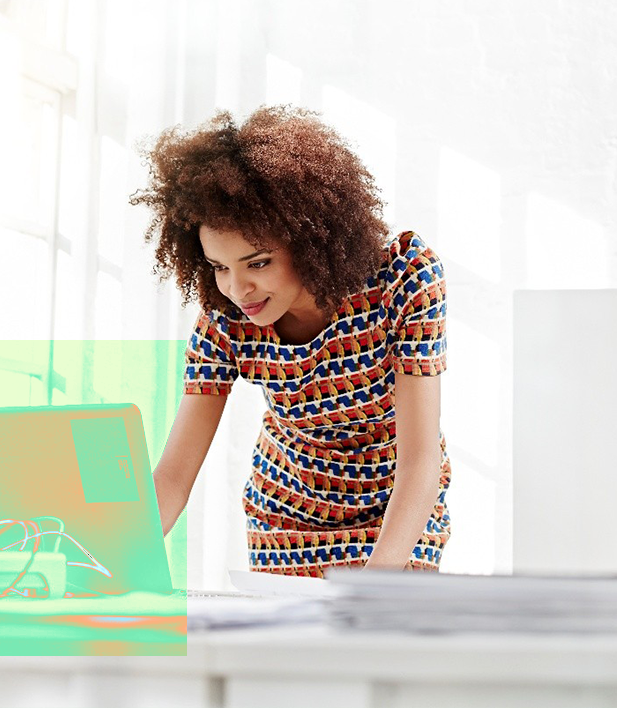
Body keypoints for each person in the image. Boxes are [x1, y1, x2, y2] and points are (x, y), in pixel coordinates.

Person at [132, 105, 451, 576]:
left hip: (397, 507)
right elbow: (173, 476)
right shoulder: (226, 317)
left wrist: (375, 584)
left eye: (257, 262)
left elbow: (420, 461)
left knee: (376, 644)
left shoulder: (403, 277)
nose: (238, 289)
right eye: (220, 267)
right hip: (286, 520)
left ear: (309, 239)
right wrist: (111, 558)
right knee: (290, 649)